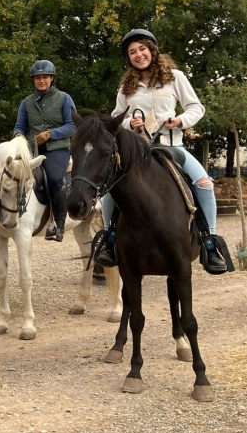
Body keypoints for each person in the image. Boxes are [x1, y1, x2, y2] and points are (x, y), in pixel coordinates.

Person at [93, 28, 227, 272]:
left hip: (171, 146)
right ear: (128, 58)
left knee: (204, 183)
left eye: (142, 49)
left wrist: (180, 120)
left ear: (152, 50)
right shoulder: (126, 86)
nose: (138, 55)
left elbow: (196, 107)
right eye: (132, 52)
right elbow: (115, 118)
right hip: (137, 151)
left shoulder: (175, 77)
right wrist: (129, 123)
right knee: (112, 189)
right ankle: (109, 239)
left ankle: (210, 242)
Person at [13, 60, 77, 241]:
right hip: (31, 149)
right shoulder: (26, 103)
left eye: (45, 77)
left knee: (55, 179)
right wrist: (18, 135)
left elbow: (72, 126)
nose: (41, 81)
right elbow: (19, 126)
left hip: (57, 149)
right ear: (33, 80)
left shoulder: (64, 98)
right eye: (38, 78)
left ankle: (58, 225)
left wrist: (51, 134)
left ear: (51, 78)